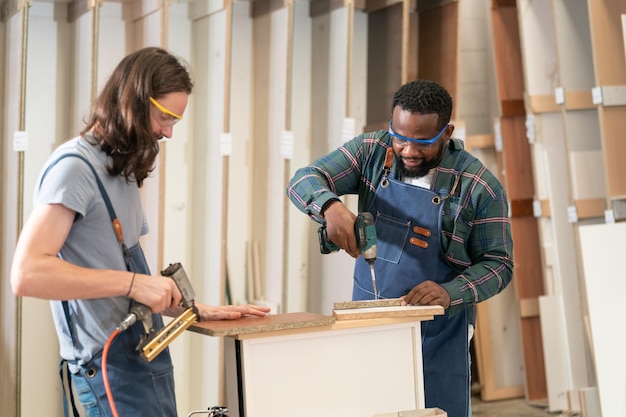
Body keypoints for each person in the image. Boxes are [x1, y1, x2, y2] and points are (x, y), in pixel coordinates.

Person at [10, 47, 270, 417]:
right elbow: (27, 274)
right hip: (108, 364)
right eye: (164, 117)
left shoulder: (121, 169)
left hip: (144, 353)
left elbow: (123, 266)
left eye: (175, 122)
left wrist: (193, 309)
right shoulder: (74, 168)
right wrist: (134, 284)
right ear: (133, 98)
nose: (167, 132)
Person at [286, 79, 513, 417]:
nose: (407, 150)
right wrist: (329, 207)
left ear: (447, 133)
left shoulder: (478, 187)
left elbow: (499, 265)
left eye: (421, 142)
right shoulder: (371, 152)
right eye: (400, 136)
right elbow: (304, 178)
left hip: (437, 332)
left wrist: (450, 292)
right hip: (369, 322)